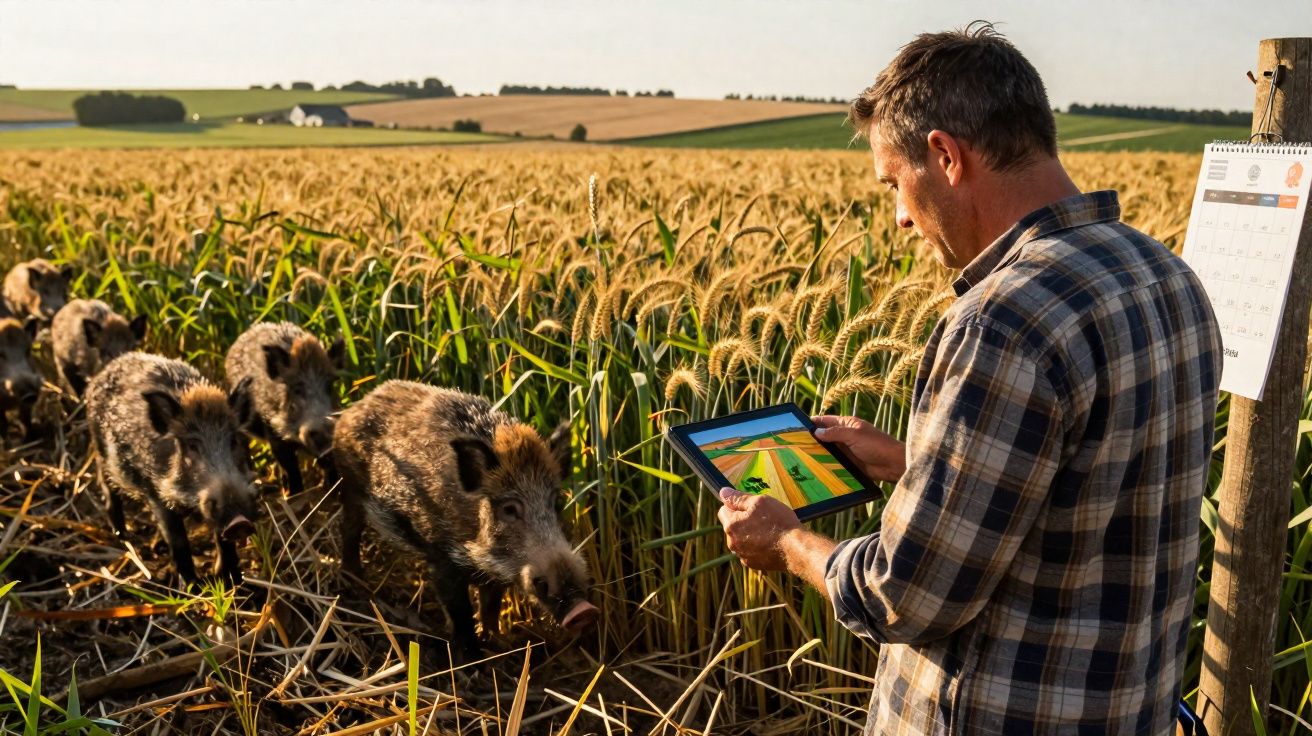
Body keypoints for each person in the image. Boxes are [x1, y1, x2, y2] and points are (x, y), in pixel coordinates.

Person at [716, 22, 1222, 735]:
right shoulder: (1165, 276)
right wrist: (911, 463)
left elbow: (908, 594)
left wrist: (789, 542)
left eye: (895, 182)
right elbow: (1088, 489)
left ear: (946, 156)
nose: (897, 217)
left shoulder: (1005, 322)